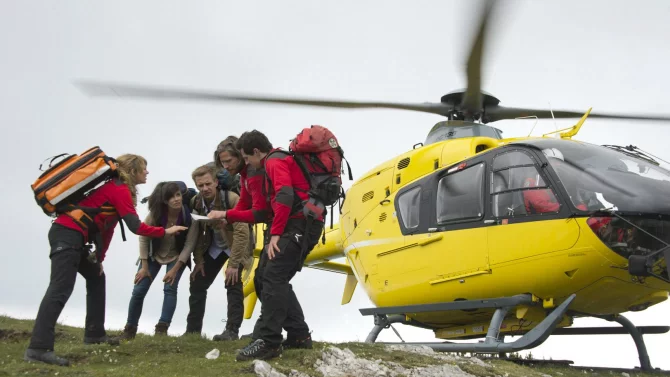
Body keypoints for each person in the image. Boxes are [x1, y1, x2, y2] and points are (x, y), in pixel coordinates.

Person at [24, 154, 188, 367]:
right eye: (143, 168)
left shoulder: (119, 189)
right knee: (60, 289)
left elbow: (108, 227)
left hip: (75, 237)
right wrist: (166, 231)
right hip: (66, 234)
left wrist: (99, 258)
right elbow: (136, 227)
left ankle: (94, 335)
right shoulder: (118, 189)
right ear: (132, 170)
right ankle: (38, 348)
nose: (147, 172)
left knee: (96, 277)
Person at [217, 130, 324, 361]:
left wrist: (275, 234)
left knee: (274, 276)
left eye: (246, 159)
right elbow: (256, 205)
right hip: (290, 224)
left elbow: (284, 195)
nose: (246, 164)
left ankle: (269, 342)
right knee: (263, 277)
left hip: (300, 224)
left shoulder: (274, 162)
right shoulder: (263, 167)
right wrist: (230, 215)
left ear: (256, 152)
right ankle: (298, 335)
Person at [182, 164, 253, 340]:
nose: (204, 189)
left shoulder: (232, 199)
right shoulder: (197, 202)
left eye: (208, 184)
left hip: (236, 244)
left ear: (215, 182)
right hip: (214, 246)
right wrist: (198, 260)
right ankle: (192, 332)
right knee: (197, 282)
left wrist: (234, 263)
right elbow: (197, 233)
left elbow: (242, 232)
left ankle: (231, 331)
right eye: (200, 186)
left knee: (233, 282)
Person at [119, 181, 197, 340]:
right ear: (164, 200)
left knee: (170, 288)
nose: (176, 199)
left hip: (177, 256)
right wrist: (144, 265)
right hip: (153, 255)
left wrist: (175, 269)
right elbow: (143, 237)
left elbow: (190, 244)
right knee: (139, 290)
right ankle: (129, 329)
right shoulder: (155, 214)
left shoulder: (190, 215)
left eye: (178, 195)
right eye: (171, 197)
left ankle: (162, 329)